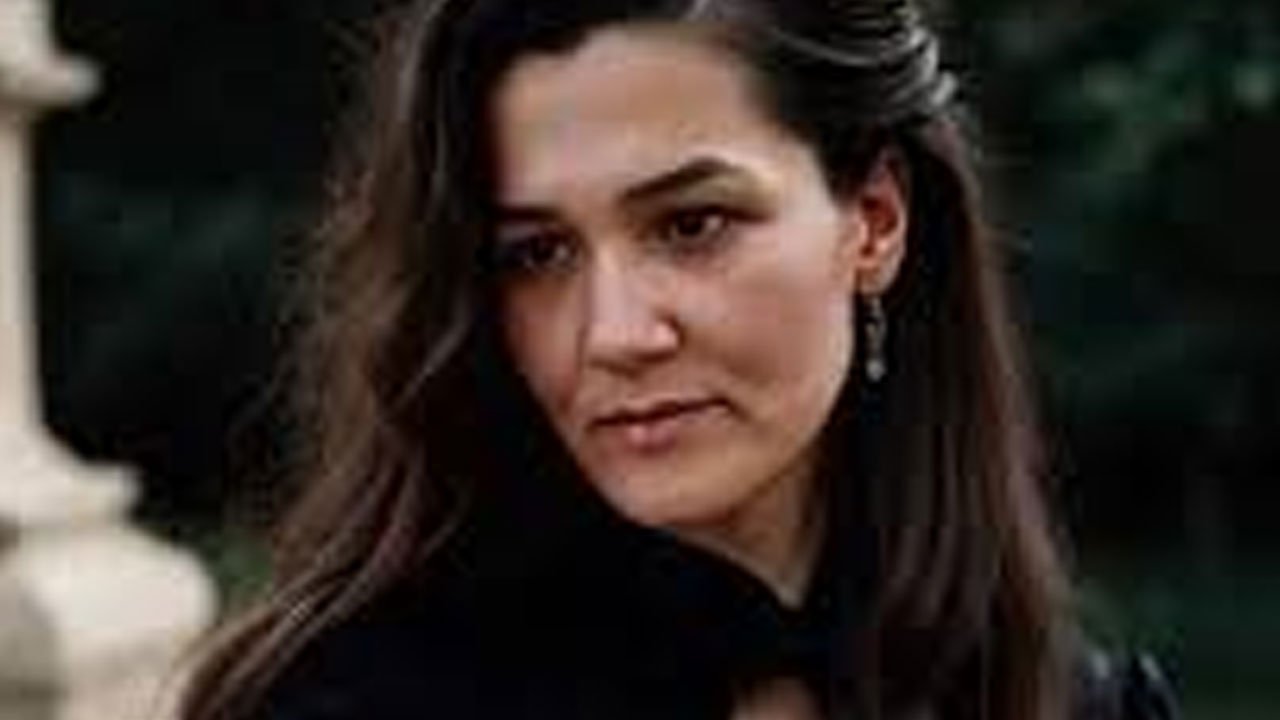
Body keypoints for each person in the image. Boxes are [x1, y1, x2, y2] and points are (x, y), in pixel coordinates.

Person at [181, 1, 1178, 719]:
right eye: (537, 253)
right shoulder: (349, 701)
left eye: (693, 224)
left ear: (874, 221)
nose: (612, 333)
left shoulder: (1072, 705)